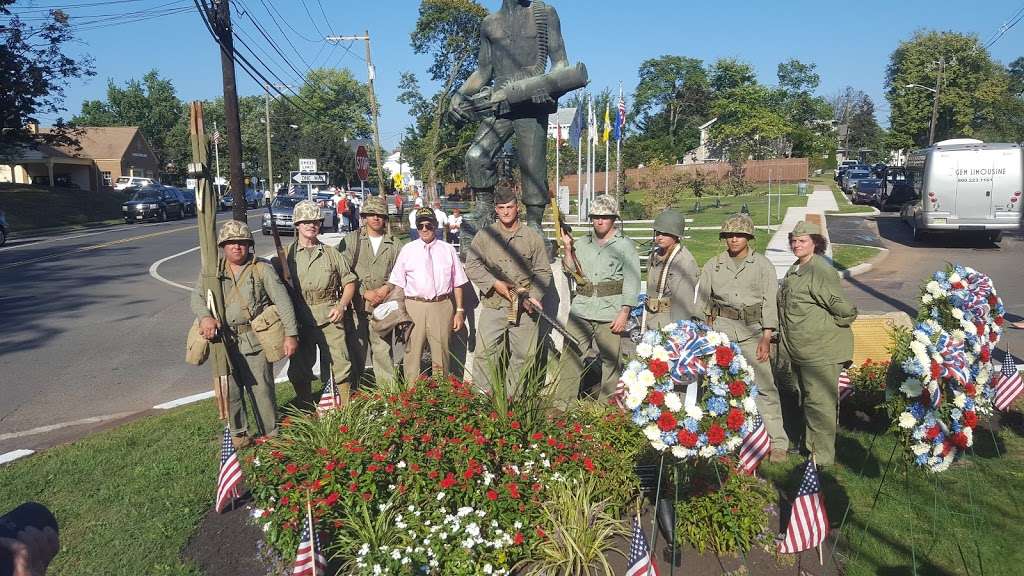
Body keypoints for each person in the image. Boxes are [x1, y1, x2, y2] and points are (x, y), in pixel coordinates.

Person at [449, 0, 571, 235]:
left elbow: (561, 63)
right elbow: (483, 71)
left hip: (531, 104)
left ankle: (534, 223)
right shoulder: (489, 23)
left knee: (532, 166)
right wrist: (460, 94)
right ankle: (484, 213)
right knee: (476, 156)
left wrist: (546, 86)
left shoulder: (544, 13)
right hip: (500, 104)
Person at [192, 221, 299, 448]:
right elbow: (197, 297)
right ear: (223, 246)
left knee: (262, 389)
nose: (236, 247)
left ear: (249, 244)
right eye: (231, 243)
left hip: (254, 339)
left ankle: (269, 433)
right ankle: (239, 434)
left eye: (241, 242)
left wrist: (291, 334)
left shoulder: (261, 268)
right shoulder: (213, 271)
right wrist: (204, 317)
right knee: (229, 389)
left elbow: (282, 301)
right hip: (223, 340)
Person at [699, 213, 789, 462]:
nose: (734, 239)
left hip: (752, 332)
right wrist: (708, 335)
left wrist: (766, 336)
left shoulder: (762, 266)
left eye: (739, 235)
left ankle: (778, 442)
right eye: (729, 235)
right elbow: (703, 303)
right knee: (720, 387)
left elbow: (770, 302)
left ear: (749, 237)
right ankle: (723, 438)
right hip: (722, 331)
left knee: (764, 387)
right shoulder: (713, 265)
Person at [778, 220, 857, 468]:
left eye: (802, 241)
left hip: (821, 351)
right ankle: (811, 449)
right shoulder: (797, 268)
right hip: (802, 350)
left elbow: (844, 310)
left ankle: (820, 459)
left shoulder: (819, 270)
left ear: (815, 243)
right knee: (810, 401)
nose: (796, 245)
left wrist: (823, 329)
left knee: (820, 405)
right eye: (794, 241)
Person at [554, 195, 641, 407]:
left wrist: (624, 312)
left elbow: (632, 280)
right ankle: (562, 405)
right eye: (596, 217)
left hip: (610, 312)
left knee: (611, 361)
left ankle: (606, 408)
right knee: (570, 356)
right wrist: (567, 249)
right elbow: (571, 270)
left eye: (605, 217)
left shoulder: (625, 246)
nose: (600, 221)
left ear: (613, 218)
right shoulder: (581, 244)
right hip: (582, 310)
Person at [465, 186, 552, 394]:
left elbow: (543, 271)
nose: (506, 212)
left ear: (517, 208)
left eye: (510, 207)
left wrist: (534, 297)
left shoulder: (531, 237)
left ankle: (513, 398)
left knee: (525, 354)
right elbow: (472, 265)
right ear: (495, 209)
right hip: (495, 304)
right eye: (501, 207)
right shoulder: (486, 236)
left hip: (524, 305)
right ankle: (481, 398)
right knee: (485, 353)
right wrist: (494, 283)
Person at [282, 200, 358, 408]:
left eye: (315, 221)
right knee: (299, 369)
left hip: (329, 315)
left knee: (339, 364)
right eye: (306, 221)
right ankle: (306, 406)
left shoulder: (331, 252)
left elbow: (349, 281)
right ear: (297, 224)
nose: (311, 225)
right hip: (300, 318)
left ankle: (342, 409)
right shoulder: (285, 255)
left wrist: (342, 305)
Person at [388, 207, 468, 377]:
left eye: (428, 225)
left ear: (435, 225)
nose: (424, 229)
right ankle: (412, 396)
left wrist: (459, 311)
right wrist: (401, 314)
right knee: (412, 353)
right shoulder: (407, 250)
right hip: (414, 306)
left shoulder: (448, 250)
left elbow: (458, 282)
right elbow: (398, 285)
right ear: (416, 227)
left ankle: (441, 395)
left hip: (441, 306)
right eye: (420, 225)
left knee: (442, 354)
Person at [340, 195, 404, 385]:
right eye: (371, 214)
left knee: (383, 352)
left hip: (382, 309)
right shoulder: (351, 241)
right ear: (364, 217)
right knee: (355, 352)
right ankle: (355, 393)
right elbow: (342, 270)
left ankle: (388, 395)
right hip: (357, 307)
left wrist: (386, 288)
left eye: (380, 214)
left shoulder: (394, 244)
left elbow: (400, 272)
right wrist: (361, 292)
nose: (376, 218)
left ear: (385, 218)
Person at [644, 209, 699, 330]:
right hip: (651, 319)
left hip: (670, 324)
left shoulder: (684, 261)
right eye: (658, 233)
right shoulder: (654, 255)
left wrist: (678, 332)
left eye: (665, 233)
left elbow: (683, 304)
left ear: (676, 235)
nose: (660, 237)